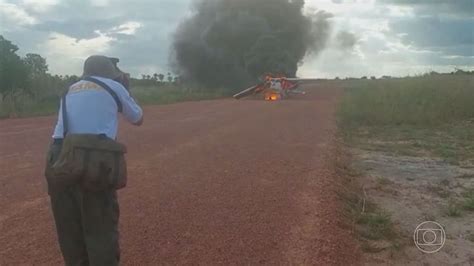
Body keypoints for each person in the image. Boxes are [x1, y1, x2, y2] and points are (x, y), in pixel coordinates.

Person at [45, 55, 143, 266]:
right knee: (100, 228)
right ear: (110, 73)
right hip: (93, 160)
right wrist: (126, 89)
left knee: (69, 229)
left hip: (58, 157)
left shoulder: (70, 88)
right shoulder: (114, 87)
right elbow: (138, 118)